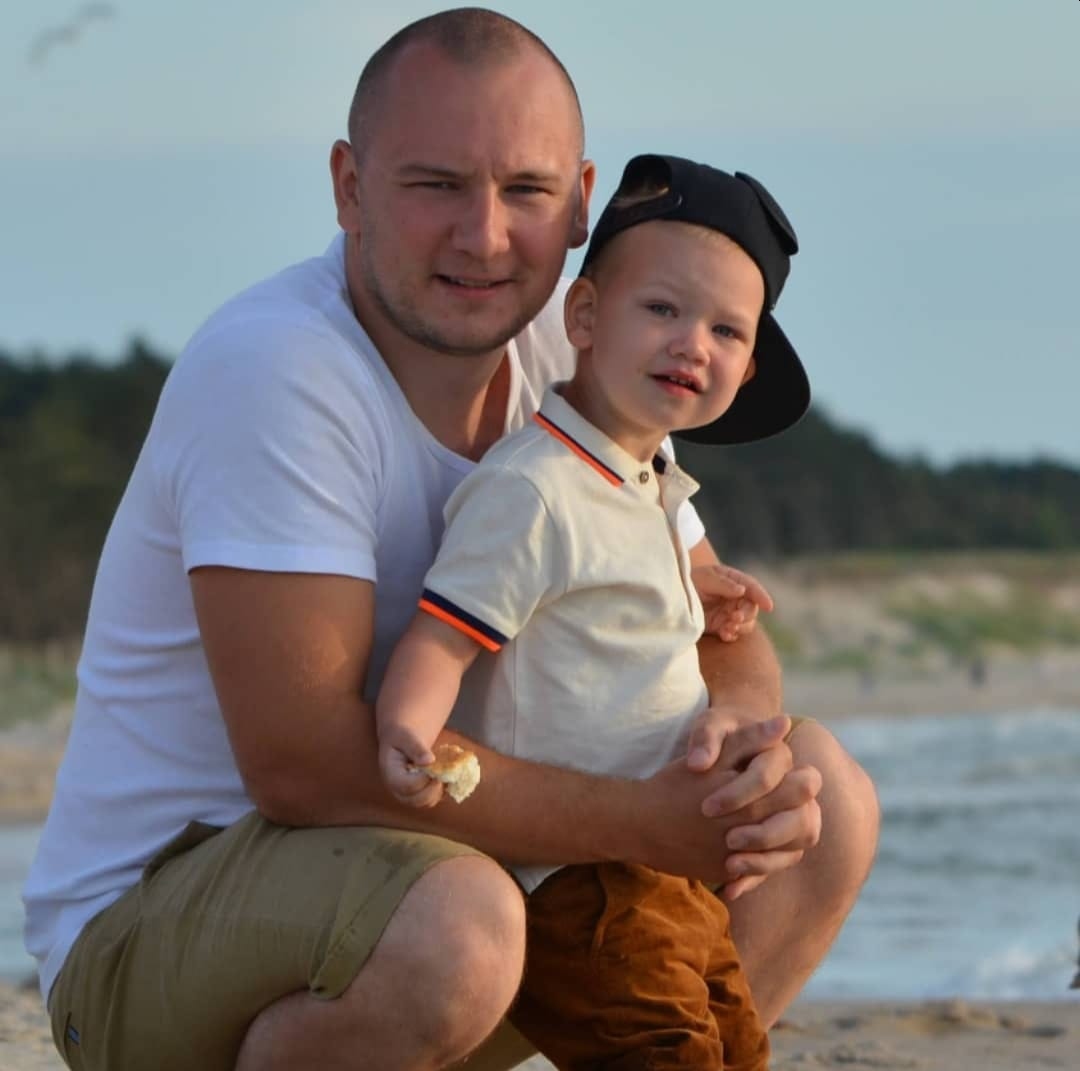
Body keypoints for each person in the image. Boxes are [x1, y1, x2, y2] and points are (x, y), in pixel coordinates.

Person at [22, 9, 878, 1071]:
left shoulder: (577, 347)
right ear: (350, 188)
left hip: (445, 893)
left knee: (820, 798)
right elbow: (302, 767)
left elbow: (708, 615)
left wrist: (734, 749)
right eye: (436, 185)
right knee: (459, 924)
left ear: (579, 203)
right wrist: (647, 823)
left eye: (525, 191)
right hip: (160, 926)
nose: (483, 236)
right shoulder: (280, 373)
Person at [376, 152, 808, 1071]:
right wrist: (410, 730)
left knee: (735, 1046)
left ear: (745, 368)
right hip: (573, 877)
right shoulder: (536, 488)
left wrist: (698, 595)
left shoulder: (646, 481)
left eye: (725, 330)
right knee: (663, 1052)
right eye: (662, 309)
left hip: (660, 864)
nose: (692, 343)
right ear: (583, 317)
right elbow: (445, 634)